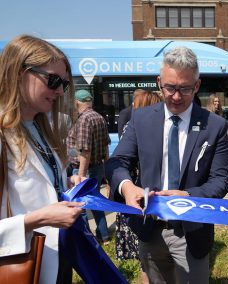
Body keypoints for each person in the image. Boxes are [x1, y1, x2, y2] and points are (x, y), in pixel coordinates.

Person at [105, 46, 228, 283]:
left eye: (184, 88)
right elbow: (116, 162)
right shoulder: (140, 119)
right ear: (159, 82)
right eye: (170, 87)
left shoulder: (214, 126)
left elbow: (220, 180)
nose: (175, 96)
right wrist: (127, 187)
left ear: (197, 86)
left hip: (192, 230)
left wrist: (188, 195)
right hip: (149, 228)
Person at [0, 35, 84, 283]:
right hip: (22, 266)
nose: (59, 91)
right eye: (53, 80)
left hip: (54, 261)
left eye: (64, 84)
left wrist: (65, 186)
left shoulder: (41, 129)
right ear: (19, 73)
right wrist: (39, 218)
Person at [115, 89, 163, 284]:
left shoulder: (143, 126)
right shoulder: (134, 127)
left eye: (135, 103)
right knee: (146, 254)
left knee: (147, 254)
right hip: (136, 197)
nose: (132, 107)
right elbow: (121, 160)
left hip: (140, 197)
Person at [66, 89, 111, 244]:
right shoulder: (99, 117)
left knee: (81, 205)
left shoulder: (84, 119)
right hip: (97, 167)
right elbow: (105, 146)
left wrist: (81, 175)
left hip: (84, 169)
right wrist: (106, 168)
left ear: (77, 102)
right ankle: (104, 235)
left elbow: (85, 150)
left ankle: (87, 238)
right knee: (95, 201)